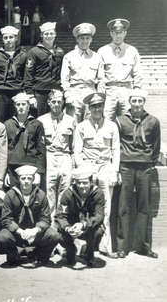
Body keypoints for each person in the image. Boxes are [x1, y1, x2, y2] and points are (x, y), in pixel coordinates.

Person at [74, 92, 120, 259]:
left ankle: (105, 246)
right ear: (89, 108)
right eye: (93, 106)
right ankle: (81, 246)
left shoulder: (112, 126)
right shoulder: (81, 127)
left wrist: (114, 171)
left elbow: (116, 151)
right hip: (88, 169)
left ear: (103, 107)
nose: (96, 109)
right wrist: (84, 172)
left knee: (105, 208)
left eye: (99, 106)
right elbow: (77, 152)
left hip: (105, 168)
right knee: (84, 209)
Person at [116, 89, 160, 259]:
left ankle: (143, 246)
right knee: (123, 207)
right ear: (129, 102)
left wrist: (150, 163)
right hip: (126, 167)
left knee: (144, 207)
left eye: (139, 101)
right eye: (133, 101)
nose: (136, 104)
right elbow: (116, 145)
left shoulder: (153, 122)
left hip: (145, 168)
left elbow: (155, 147)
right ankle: (122, 247)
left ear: (144, 103)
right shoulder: (120, 121)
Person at [0, 165, 59, 267]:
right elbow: (6, 219)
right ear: (18, 179)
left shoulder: (40, 194)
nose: (26, 181)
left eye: (29, 178)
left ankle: (38, 254)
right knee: (3, 237)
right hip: (17, 233)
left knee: (54, 235)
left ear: (33, 179)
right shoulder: (10, 195)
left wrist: (35, 230)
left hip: (35, 233)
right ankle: (14, 252)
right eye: (23, 178)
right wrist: (20, 231)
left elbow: (46, 218)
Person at [37, 90, 76, 222]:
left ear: (63, 103)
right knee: (49, 192)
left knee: (65, 192)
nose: (56, 104)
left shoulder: (71, 121)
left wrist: (74, 163)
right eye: (53, 102)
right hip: (49, 156)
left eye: (59, 102)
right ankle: (51, 225)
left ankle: (62, 224)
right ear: (48, 103)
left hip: (65, 157)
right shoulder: (41, 120)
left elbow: (74, 145)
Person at [55, 165, 105, 267]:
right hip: (71, 227)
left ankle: (88, 252)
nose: (82, 186)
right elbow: (60, 216)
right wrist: (68, 228)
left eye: (85, 182)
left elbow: (99, 216)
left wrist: (83, 225)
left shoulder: (98, 193)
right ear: (74, 182)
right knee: (60, 233)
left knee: (98, 232)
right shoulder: (68, 193)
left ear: (91, 182)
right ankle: (71, 250)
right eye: (79, 183)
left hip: (87, 227)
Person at [98, 18, 142, 121]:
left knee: (127, 122)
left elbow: (137, 73)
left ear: (125, 33)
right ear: (111, 33)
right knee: (106, 122)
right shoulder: (102, 51)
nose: (118, 35)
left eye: (121, 32)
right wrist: (101, 95)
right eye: (115, 32)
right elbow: (100, 75)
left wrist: (135, 92)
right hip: (109, 92)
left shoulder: (132, 51)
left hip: (126, 91)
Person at [61, 23, 105, 123]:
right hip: (74, 93)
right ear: (77, 39)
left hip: (91, 93)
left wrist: (100, 97)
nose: (85, 41)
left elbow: (101, 80)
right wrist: (67, 95)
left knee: (90, 123)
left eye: (87, 38)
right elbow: (64, 78)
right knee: (73, 123)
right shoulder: (69, 57)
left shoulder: (97, 57)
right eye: (82, 38)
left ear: (91, 39)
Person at [4, 92, 46, 189]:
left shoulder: (37, 124)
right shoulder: (8, 124)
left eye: (23, 104)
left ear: (28, 106)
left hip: (31, 167)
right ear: (15, 106)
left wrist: (39, 173)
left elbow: (41, 151)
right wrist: (5, 172)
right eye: (18, 104)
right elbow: (4, 150)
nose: (21, 107)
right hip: (12, 168)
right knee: (14, 197)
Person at [24, 22, 65, 117]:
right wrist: (30, 95)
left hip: (55, 91)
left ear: (55, 34)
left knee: (55, 118)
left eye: (51, 33)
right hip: (39, 92)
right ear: (41, 35)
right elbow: (28, 74)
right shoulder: (34, 52)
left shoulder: (60, 52)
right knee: (39, 119)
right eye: (46, 34)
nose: (49, 36)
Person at [0, 26, 27, 122]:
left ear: (16, 38)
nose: (8, 40)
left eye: (11, 37)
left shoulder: (23, 56)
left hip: (17, 93)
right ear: (2, 39)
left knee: (17, 122)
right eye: (6, 38)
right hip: (1, 94)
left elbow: (26, 75)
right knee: (0, 123)